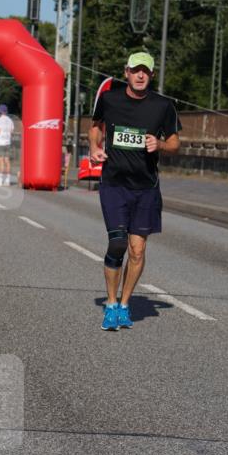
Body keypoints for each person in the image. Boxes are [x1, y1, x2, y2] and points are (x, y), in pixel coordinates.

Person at [88, 51, 181, 331]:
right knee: (117, 243)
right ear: (126, 72)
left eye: (146, 71)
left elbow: (175, 142)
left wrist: (161, 145)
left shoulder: (163, 105)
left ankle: (125, 305)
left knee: (137, 251)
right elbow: (96, 127)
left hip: (146, 187)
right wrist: (94, 147)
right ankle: (111, 303)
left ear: (151, 75)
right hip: (114, 183)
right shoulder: (110, 99)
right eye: (135, 70)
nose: (140, 75)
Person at [0, 104, 14, 186]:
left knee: (0, 160)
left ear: (0, 111)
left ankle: (0, 180)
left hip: (0, 142)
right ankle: (8, 180)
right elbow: (11, 132)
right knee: (7, 161)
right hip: (8, 142)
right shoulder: (10, 120)